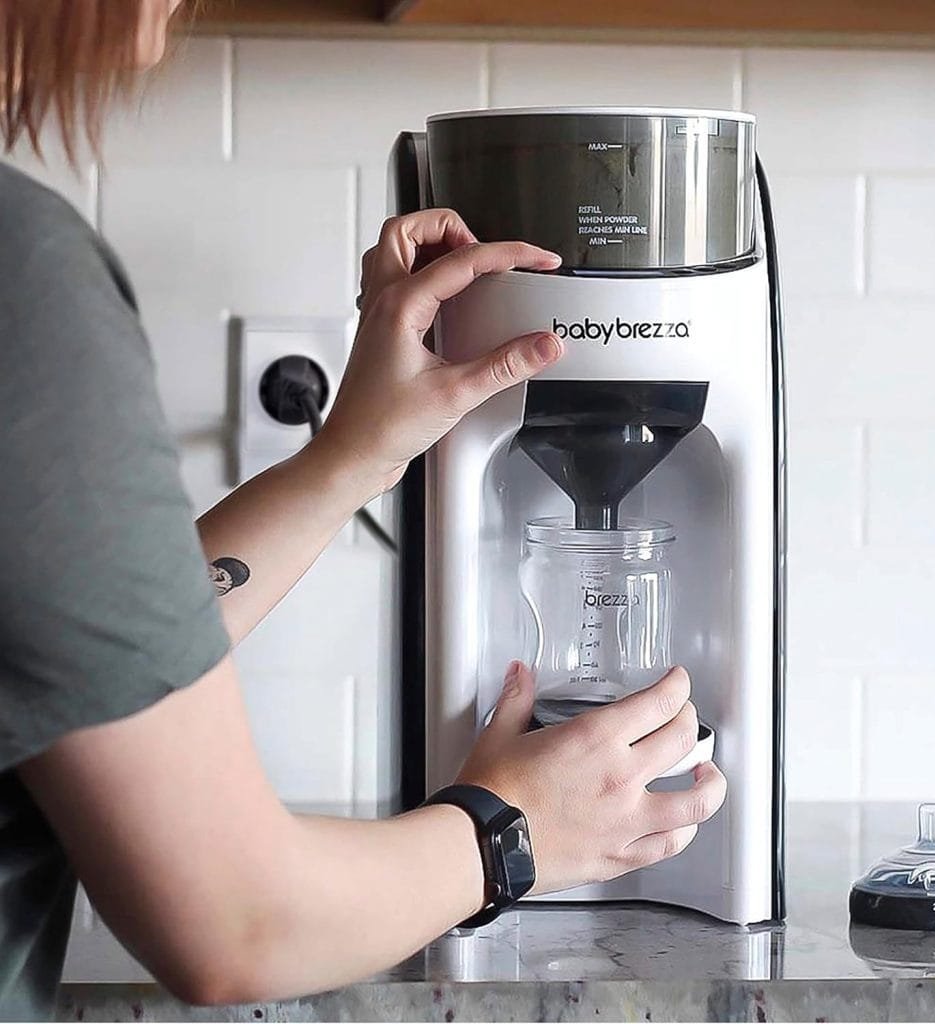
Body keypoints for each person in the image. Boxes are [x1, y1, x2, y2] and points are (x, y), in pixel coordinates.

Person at [0, 1, 727, 1019]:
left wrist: (355, 453)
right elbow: (236, 922)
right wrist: (509, 832)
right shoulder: (20, 281)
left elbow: (80, 662)